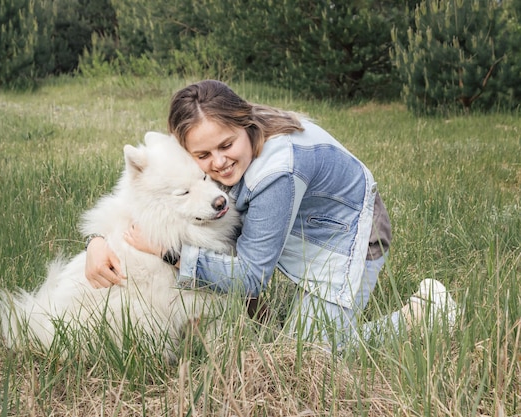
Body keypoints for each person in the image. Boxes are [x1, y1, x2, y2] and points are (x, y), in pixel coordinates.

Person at [84, 80, 457, 346]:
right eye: (202, 156)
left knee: (310, 352)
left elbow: (250, 277)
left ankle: (424, 314)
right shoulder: (222, 126)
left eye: (226, 145)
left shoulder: (278, 173)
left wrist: (170, 254)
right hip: (293, 229)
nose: (217, 163)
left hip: (347, 236)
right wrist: (98, 240)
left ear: (243, 123)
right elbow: (145, 188)